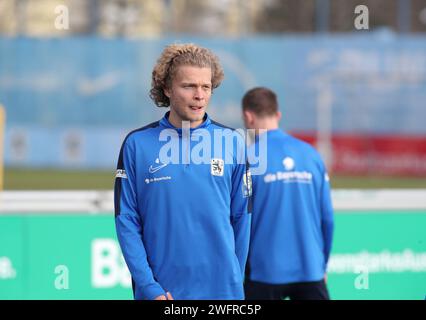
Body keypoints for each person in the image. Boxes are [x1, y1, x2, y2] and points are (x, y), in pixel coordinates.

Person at [114, 43, 251, 300]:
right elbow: (127, 222)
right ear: (167, 88)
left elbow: (242, 217)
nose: (199, 95)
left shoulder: (232, 142)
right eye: (188, 86)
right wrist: (149, 287)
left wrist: (233, 277)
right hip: (162, 294)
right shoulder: (136, 144)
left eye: (206, 87)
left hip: (222, 293)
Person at [241, 87, 334, 300]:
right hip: (310, 269)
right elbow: (327, 219)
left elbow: (238, 221)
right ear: (278, 115)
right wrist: (322, 264)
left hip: (264, 272)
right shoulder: (311, 155)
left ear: (248, 117)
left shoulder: (247, 158)